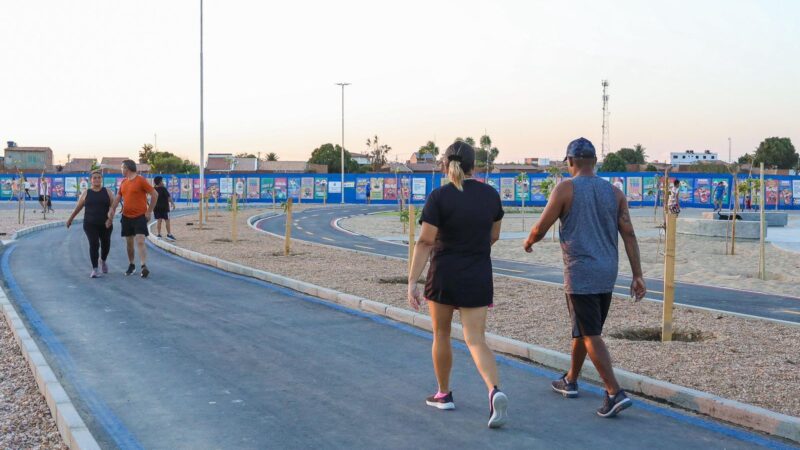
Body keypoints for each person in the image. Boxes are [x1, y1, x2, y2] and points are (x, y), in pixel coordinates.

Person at [523, 137, 646, 418]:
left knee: (590, 333)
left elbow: (542, 226)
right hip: (608, 272)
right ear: (595, 162)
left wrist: (529, 242)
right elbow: (629, 234)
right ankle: (570, 380)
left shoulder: (566, 188)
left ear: (571, 162)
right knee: (584, 328)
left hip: (581, 272)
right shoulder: (614, 193)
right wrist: (637, 274)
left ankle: (614, 392)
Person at [407, 141, 509, 429]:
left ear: (444, 165)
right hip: (477, 274)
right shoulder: (490, 195)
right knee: (476, 339)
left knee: (441, 334)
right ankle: (494, 390)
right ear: (474, 166)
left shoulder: (439, 197)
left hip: (444, 274)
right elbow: (495, 235)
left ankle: (443, 394)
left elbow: (426, 241)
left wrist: (413, 280)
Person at [107, 159, 158, 278]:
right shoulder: (124, 182)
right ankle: (131, 264)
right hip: (126, 217)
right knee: (129, 244)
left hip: (140, 216)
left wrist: (149, 211)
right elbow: (118, 198)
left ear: (127, 168)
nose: (121, 170)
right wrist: (112, 210)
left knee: (140, 240)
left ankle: (144, 266)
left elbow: (155, 194)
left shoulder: (141, 180)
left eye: (122, 168)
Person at [66, 171, 114, 278]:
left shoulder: (108, 192)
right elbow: (78, 208)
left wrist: (110, 219)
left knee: (106, 244)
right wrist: (70, 219)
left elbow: (112, 207)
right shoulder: (86, 193)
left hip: (105, 224)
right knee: (94, 244)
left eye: (99, 178)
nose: (97, 179)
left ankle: (103, 260)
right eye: (94, 178)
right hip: (90, 224)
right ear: (91, 180)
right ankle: (95, 269)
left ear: (101, 179)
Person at [153, 176, 176, 240]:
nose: (163, 182)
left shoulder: (153, 189)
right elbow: (168, 197)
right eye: (162, 181)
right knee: (167, 221)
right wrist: (173, 203)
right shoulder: (163, 189)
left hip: (156, 208)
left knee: (159, 221)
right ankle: (169, 234)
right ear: (159, 182)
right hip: (165, 208)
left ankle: (159, 234)